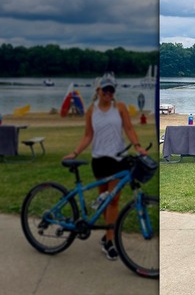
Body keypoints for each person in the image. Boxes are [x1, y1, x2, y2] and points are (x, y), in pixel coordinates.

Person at [62, 72, 147, 261]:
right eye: (105, 90)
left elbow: (129, 129)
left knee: (113, 200)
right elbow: (87, 136)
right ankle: (107, 234)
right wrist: (75, 153)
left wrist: (138, 146)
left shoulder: (120, 107)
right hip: (99, 160)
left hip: (118, 160)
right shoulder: (91, 111)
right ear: (98, 90)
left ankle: (109, 241)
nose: (109, 93)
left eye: (112, 90)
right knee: (103, 202)